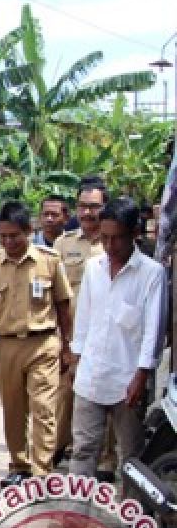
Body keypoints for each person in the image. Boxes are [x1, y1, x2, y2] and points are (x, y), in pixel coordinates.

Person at [69, 197, 165, 478]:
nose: (110, 247)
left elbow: (153, 331)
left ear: (134, 234)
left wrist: (141, 376)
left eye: (117, 239)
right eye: (105, 238)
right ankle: (77, 516)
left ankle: (129, 520)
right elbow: (84, 319)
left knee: (131, 458)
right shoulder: (93, 268)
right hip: (91, 377)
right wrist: (76, 361)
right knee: (83, 451)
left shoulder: (151, 274)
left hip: (128, 381)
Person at [0, 201, 73, 487]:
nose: (9, 242)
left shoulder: (49, 261)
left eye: (15, 236)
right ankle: (19, 465)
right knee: (13, 408)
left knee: (43, 408)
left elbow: (63, 305)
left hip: (43, 343)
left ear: (28, 231)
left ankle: (42, 471)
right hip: (6, 346)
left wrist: (68, 346)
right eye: (3, 236)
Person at [54, 178, 115, 477]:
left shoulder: (116, 244)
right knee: (68, 396)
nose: (88, 213)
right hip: (72, 337)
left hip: (106, 338)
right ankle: (68, 451)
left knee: (108, 396)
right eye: (83, 206)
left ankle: (107, 459)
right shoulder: (63, 245)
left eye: (94, 206)